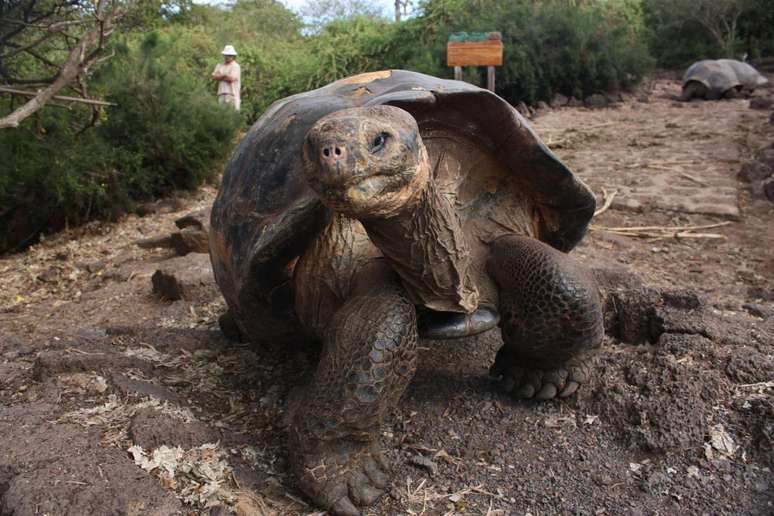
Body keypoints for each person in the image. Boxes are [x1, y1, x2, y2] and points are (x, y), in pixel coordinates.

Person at [211, 45, 241, 111]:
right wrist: (225, 75)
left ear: (233, 56)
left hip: (232, 95)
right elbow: (213, 77)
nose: (227, 57)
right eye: (226, 55)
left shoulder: (236, 66)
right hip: (221, 94)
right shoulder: (220, 65)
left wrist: (220, 76)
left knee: (232, 117)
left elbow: (231, 79)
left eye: (229, 55)